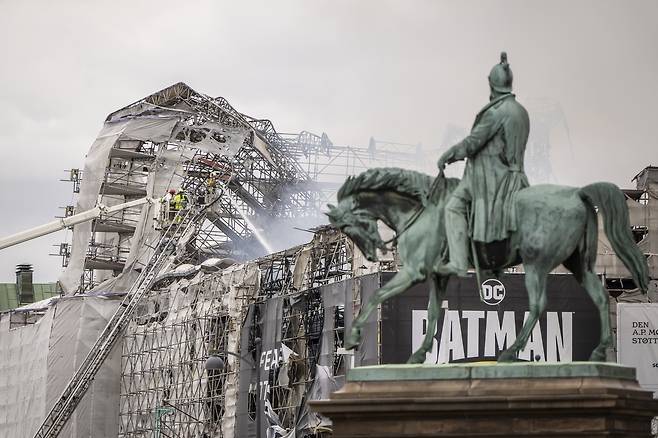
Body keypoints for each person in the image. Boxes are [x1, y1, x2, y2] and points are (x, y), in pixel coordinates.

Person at [436, 52, 530, 277]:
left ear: (493, 84)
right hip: (517, 177)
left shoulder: (496, 112)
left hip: (491, 178)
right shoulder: (521, 112)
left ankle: (459, 262)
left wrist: (447, 156)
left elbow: (472, 143)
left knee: (453, 207)